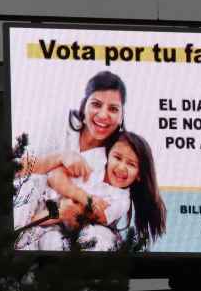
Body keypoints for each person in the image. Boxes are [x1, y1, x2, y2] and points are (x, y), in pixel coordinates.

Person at [14, 71, 129, 233]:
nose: (103, 115)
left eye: (113, 109)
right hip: (25, 204)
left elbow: (92, 211)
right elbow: (14, 167)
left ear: (121, 115)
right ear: (84, 105)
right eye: (96, 104)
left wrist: (76, 205)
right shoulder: (61, 124)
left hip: (54, 225)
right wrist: (60, 157)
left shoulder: (115, 155)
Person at [20, 131, 166, 251]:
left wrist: (69, 196)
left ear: (139, 174)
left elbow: (73, 212)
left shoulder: (121, 201)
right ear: (108, 155)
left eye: (131, 164)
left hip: (54, 222)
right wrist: (83, 196)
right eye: (117, 157)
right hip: (41, 197)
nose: (122, 167)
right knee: (29, 186)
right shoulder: (96, 161)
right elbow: (54, 176)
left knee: (51, 243)